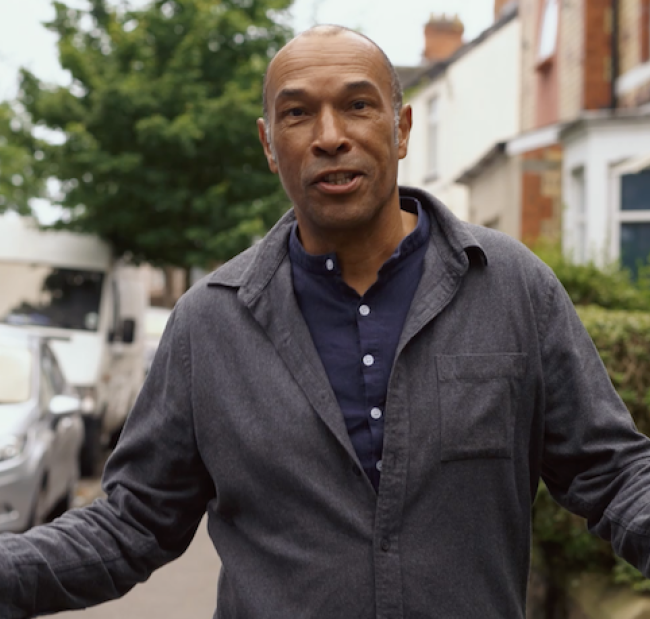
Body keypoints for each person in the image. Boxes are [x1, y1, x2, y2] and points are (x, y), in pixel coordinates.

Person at [2, 24, 650, 619]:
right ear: (268, 144)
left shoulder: (510, 287)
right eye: (297, 112)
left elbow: (611, 471)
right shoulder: (209, 324)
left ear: (401, 129)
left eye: (358, 105)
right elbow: (134, 521)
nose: (330, 134)